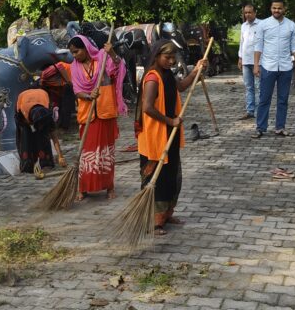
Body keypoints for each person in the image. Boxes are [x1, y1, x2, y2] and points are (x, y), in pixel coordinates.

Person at [137, 39, 207, 235]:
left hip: (171, 132)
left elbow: (182, 86)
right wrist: (170, 121)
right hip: (155, 134)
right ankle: (154, 221)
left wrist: (196, 71)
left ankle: (166, 214)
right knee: (156, 178)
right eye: (167, 57)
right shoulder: (152, 78)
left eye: (173, 58)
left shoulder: (167, 74)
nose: (171, 61)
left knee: (170, 175)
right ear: (157, 56)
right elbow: (148, 108)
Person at [69, 35, 127, 201]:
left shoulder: (102, 58)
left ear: (85, 47)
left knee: (106, 152)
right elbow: (76, 90)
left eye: (76, 51)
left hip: (105, 111)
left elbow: (118, 69)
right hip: (88, 114)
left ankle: (109, 186)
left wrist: (112, 53)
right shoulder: (74, 67)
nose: (75, 55)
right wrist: (88, 96)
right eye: (72, 53)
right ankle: (84, 188)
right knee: (87, 152)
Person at [252, 0, 295, 138]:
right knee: (264, 99)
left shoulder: (291, 25)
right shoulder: (263, 25)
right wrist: (256, 65)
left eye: (279, 8)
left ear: (284, 9)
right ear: (270, 8)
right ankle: (260, 128)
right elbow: (258, 46)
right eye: (274, 8)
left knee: (283, 99)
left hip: (286, 67)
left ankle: (280, 127)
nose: (276, 10)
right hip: (268, 67)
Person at [237, 3, 261, 121]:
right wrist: (240, 58)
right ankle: (250, 110)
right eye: (245, 13)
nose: (247, 15)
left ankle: (259, 111)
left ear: (255, 13)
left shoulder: (261, 25)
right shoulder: (243, 26)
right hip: (246, 60)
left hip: (258, 61)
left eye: (249, 12)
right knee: (248, 87)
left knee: (259, 86)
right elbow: (242, 43)